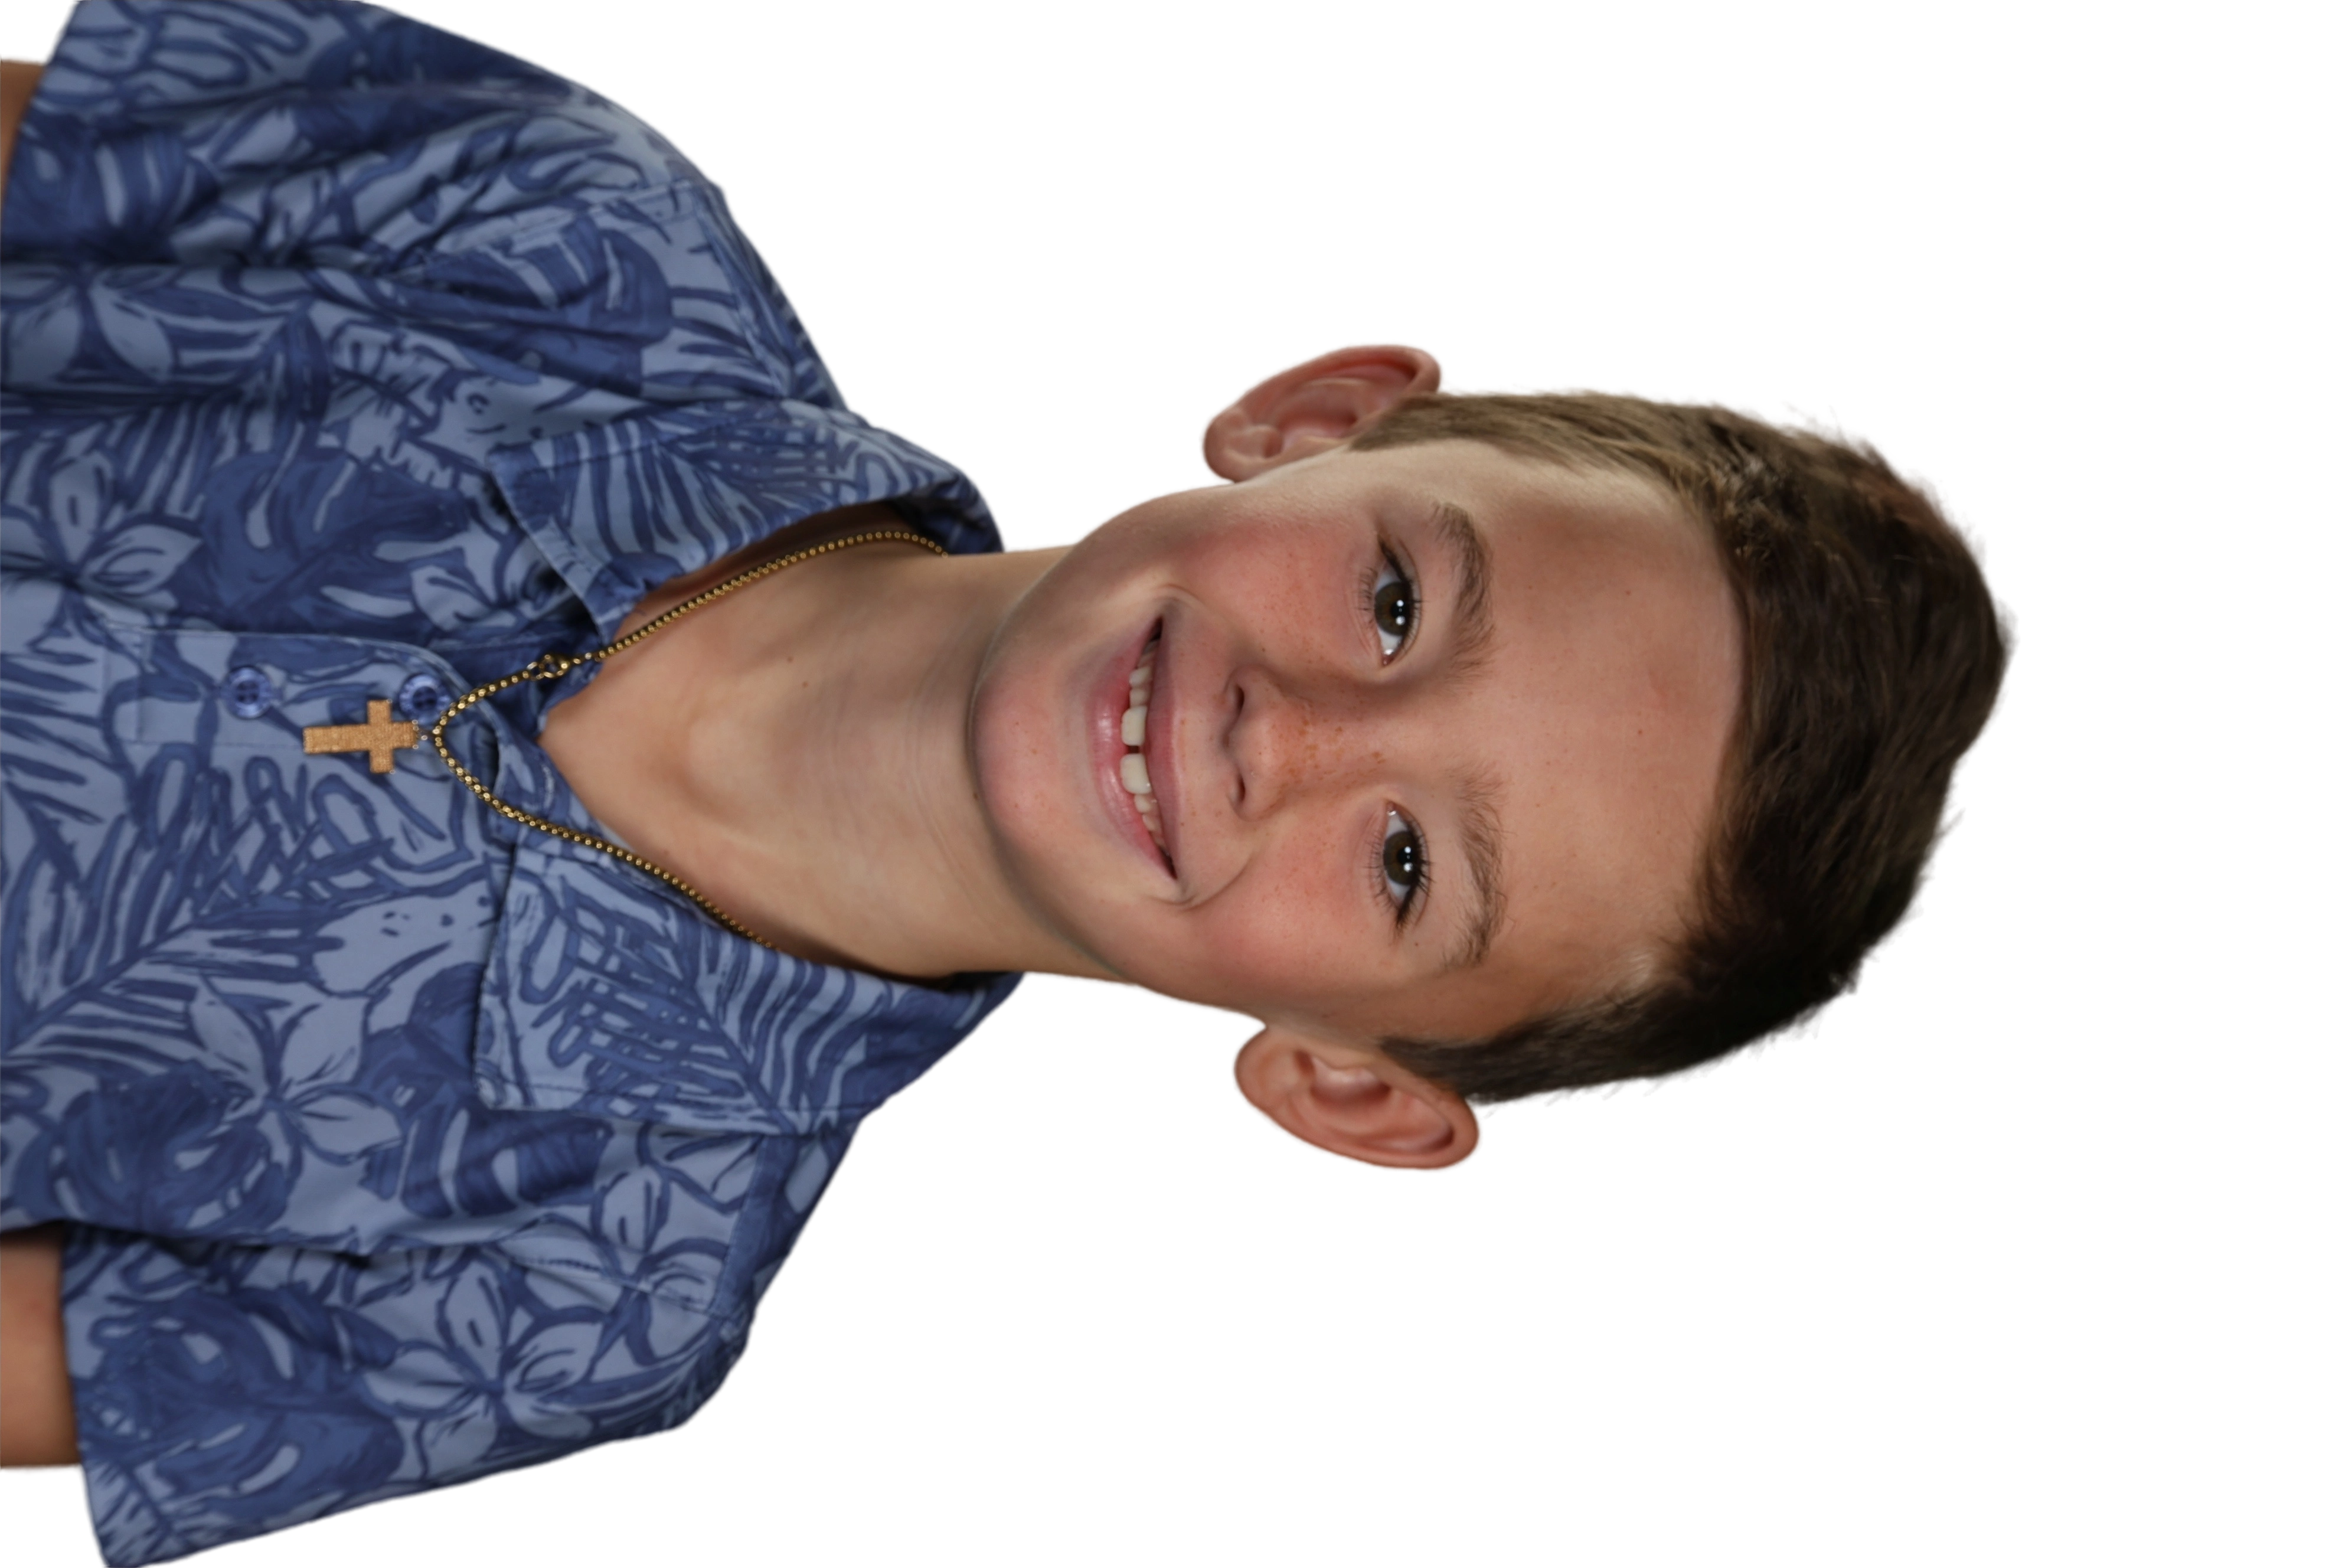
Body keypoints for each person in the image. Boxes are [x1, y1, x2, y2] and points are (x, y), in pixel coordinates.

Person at [0, 3, 2019, 1565]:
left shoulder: (590, 1294)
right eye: (1398, 600)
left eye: (1408, 864)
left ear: (1350, 1082)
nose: (1292, 734)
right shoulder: (559, 221)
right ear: (1316, 418)